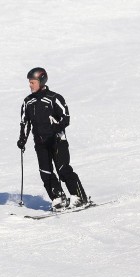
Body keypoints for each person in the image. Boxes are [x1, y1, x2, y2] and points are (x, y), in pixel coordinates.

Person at [17, 67, 89, 210]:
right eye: (29, 82)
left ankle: (79, 197)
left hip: (57, 141)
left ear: (42, 81)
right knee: (45, 172)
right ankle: (58, 197)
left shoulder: (54, 98)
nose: (30, 85)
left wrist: (55, 128)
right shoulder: (27, 102)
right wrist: (22, 139)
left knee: (63, 169)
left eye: (33, 82)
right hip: (40, 143)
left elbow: (65, 118)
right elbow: (25, 123)